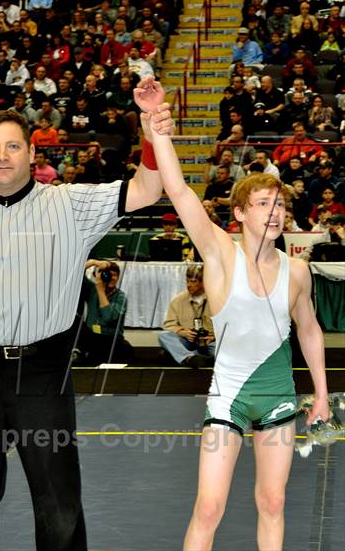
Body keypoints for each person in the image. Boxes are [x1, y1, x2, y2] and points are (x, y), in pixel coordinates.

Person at [0, 76, 173, 551]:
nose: (2, 155)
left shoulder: (70, 204)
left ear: (31, 154)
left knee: (58, 507)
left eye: (13, 146)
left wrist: (149, 131)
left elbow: (147, 190)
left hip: (44, 368)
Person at [143, 81, 329, 550]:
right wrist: (156, 125)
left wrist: (322, 394)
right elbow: (179, 191)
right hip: (227, 398)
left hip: (279, 397)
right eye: (264, 204)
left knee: (272, 502)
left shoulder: (299, 271)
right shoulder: (220, 254)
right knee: (208, 506)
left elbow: (309, 331)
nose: (275, 211)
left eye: (281, 203)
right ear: (241, 213)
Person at [72, 259, 132, 365]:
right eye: (108, 274)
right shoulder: (91, 289)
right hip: (92, 335)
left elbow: (108, 317)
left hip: (110, 337)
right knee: (74, 319)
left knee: (125, 351)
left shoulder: (121, 297)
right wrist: (93, 263)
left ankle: (84, 352)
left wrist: (100, 290)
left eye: (114, 275)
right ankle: (79, 351)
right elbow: (74, 274)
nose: (111, 278)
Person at [158, 264, 215, 368]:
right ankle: (189, 358)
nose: (189, 285)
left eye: (193, 281)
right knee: (163, 336)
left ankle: (179, 354)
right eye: (187, 281)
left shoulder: (217, 300)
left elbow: (229, 325)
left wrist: (215, 336)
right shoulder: (177, 301)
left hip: (210, 342)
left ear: (204, 282)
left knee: (227, 351)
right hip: (188, 340)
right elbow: (169, 325)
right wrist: (182, 332)